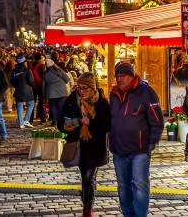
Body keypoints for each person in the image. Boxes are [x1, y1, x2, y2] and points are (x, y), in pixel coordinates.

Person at [109, 62, 163, 217]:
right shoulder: (113, 93)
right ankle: (128, 214)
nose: (119, 80)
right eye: (117, 76)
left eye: (123, 76)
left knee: (139, 185)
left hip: (140, 150)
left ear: (131, 76)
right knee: (123, 186)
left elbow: (157, 121)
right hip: (119, 149)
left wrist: (151, 143)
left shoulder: (146, 92)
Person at [59, 74, 111, 217]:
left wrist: (91, 123)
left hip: (94, 146)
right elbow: (60, 124)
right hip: (78, 145)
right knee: (86, 177)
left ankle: (87, 209)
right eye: (79, 87)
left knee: (88, 177)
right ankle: (87, 199)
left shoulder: (102, 103)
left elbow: (107, 125)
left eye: (85, 88)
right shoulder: (72, 100)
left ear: (92, 87)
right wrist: (77, 122)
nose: (81, 91)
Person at [43, 57, 71, 126]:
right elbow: (67, 79)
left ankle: (54, 122)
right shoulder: (59, 70)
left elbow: (43, 86)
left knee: (53, 107)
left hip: (51, 93)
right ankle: (62, 122)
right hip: (62, 92)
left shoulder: (45, 74)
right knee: (61, 107)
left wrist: (44, 95)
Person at [11, 56, 36, 128]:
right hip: (27, 91)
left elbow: (12, 81)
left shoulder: (14, 71)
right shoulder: (27, 70)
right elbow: (31, 81)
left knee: (19, 106)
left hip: (18, 91)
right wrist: (34, 86)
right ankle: (26, 120)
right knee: (31, 104)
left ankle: (21, 123)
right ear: (24, 62)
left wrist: (17, 85)